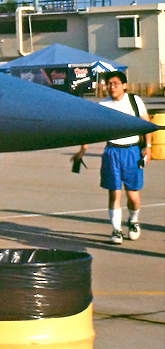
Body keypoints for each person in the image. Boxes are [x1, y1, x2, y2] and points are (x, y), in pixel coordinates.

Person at [72, 70, 151, 244]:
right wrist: (82, 151)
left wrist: (149, 147)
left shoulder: (134, 101)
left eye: (116, 83)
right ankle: (116, 231)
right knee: (114, 194)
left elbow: (147, 124)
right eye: (109, 84)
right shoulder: (102, 106)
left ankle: (133, 220)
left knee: (132, 196)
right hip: (112, 152)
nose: (112, 87)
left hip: (132, 151)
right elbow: (91, 130)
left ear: (124, 85)